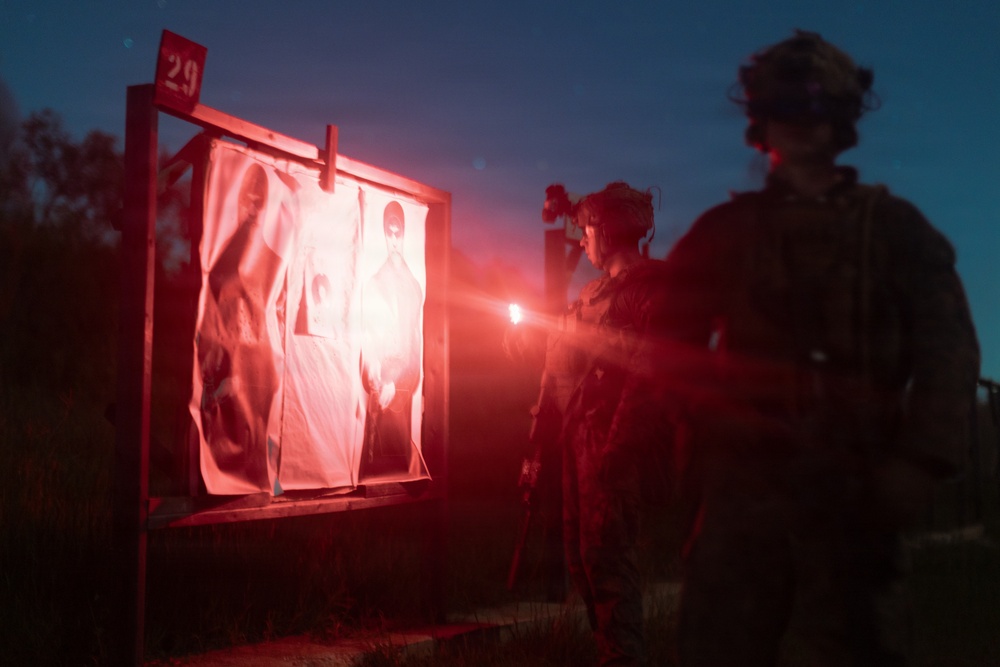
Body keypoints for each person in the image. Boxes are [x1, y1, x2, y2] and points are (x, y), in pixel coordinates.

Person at [658, 31, 981, 666]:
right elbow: (668, 345)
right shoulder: (723, 235)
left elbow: (949, 353)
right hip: (744, 493)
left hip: (859, 489)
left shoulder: (895, 231)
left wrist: (917, 466)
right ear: (762, 121)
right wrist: (705, 432)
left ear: (841, 121)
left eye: (817, 109)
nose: (803, 125)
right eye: (788, 108)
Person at [532, 181, 667, 665]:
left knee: (609, 567)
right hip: (578, 447)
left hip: (611, 451)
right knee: (584, 565)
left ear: (608, 231)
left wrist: (619, 449)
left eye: (587, 228)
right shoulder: (591, 293)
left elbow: (650, 374)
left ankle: (624, 659)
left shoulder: (643, 291)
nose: (582, 238)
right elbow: (565, 355)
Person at [359, 200, 423, 480]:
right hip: (378, 387)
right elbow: (367, 334)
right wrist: (372, 366)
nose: (394, 239)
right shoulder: (374, 283)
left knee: (395, 462)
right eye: (389, 232)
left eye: (399, 232)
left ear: (405, 233)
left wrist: (396, 383)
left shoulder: (412, 287)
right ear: (383, 234)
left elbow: (413, 348)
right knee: (374, 464)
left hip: (401, 389)